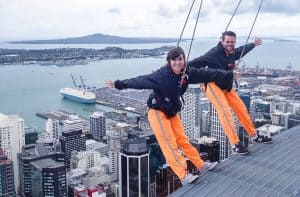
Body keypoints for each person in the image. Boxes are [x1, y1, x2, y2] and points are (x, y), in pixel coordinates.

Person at [106, 47, 236, 186]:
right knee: (169, 143)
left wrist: (229, 75)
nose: (177, 63)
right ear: (169, 61)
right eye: (174, 60)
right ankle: (183, 175)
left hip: (171, 110)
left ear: (184, 60)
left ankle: (201, 165)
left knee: (183, 140)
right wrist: (118, 84)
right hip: (157, 111)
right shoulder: (161, 76)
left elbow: (208, 74)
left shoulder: (187, 73)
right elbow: (139, 81)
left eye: (180, 59)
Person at [188, 31, 272, 155]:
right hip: (212, 85)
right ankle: (235, 144)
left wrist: (253, 44)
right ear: (222, 41)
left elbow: (241, 50)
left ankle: (254, 135)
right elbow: (196, 62)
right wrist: (178, 68)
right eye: (227, 41)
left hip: (226, 86)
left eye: (232, 42)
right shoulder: (214, 53)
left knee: (241, 109)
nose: (230, 44)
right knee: (225, 112)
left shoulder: (232, 52)